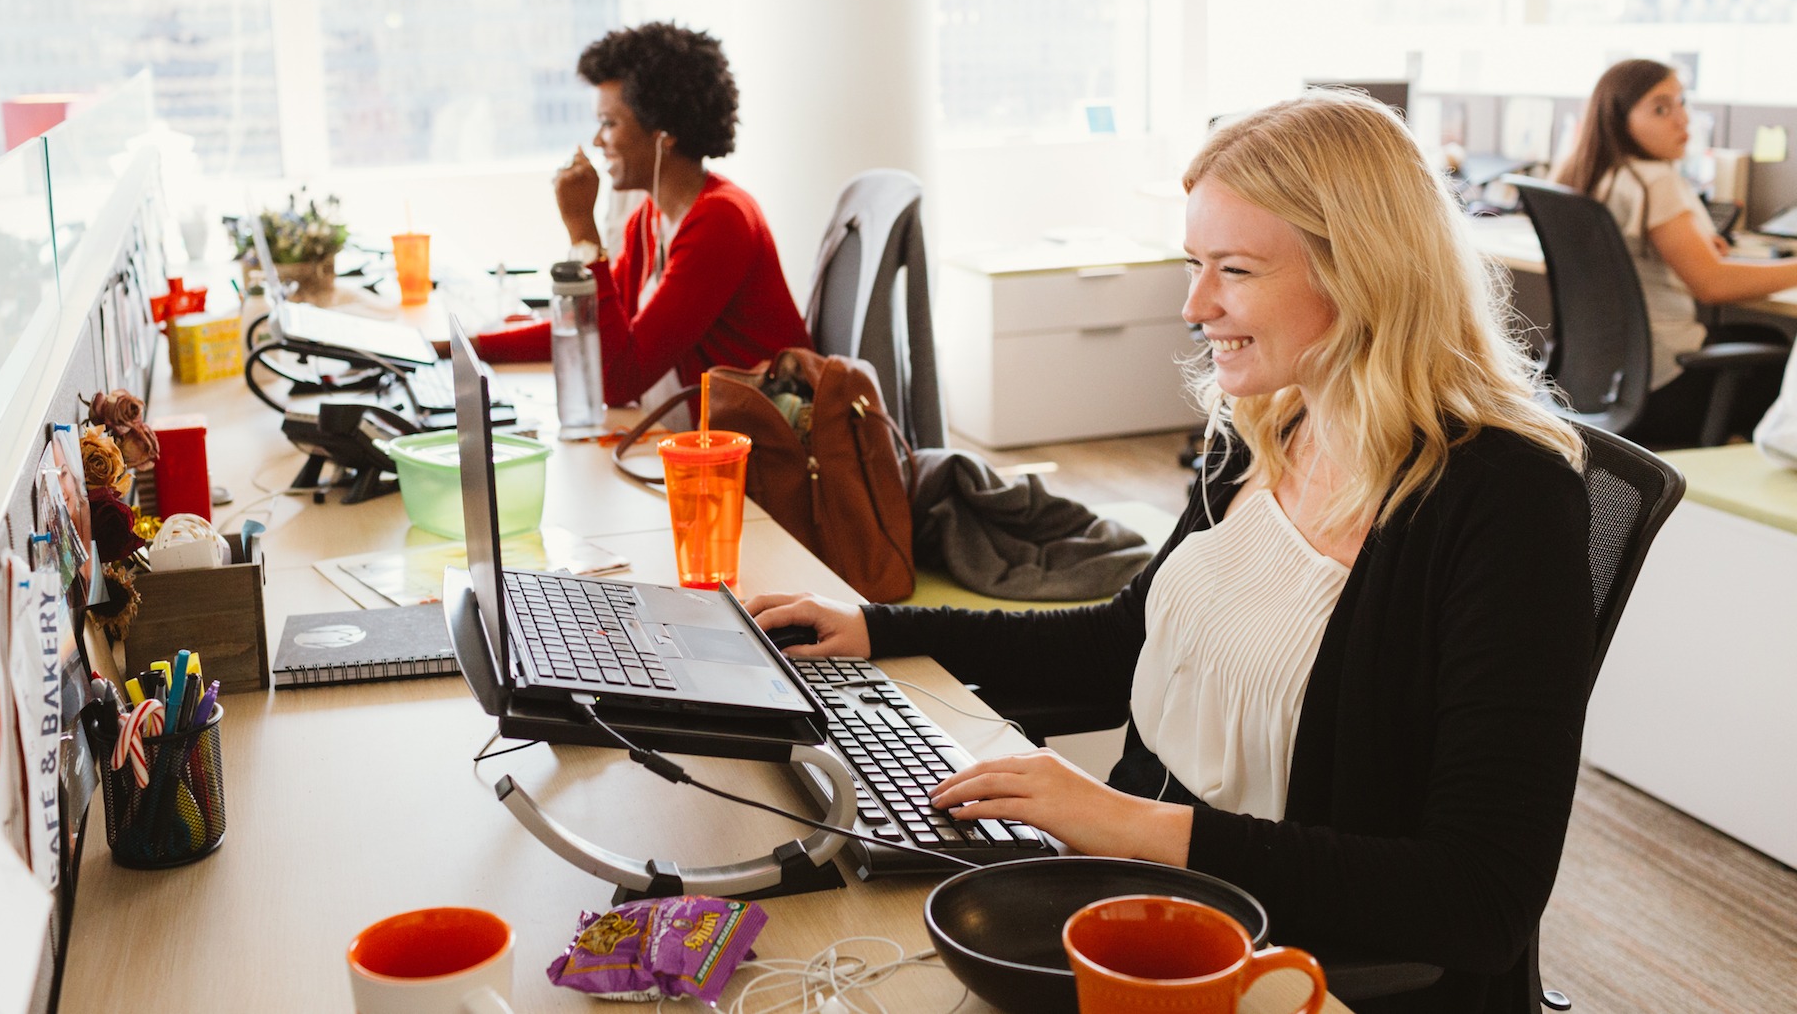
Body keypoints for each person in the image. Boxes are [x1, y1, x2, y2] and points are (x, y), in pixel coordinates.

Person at [752, 91, 1594, 1014]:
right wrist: (875, 629)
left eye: (1234, 268)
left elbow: (1479, 898)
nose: (1195, 305)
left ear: (1366, 273)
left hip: (1284, 961)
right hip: (1133, 897)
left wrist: (1127, 823)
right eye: (1196, 263)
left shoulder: (1504, 500)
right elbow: (1127, 641)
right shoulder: (1269, 422)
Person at [473, 22, 811, 419]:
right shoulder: (650, 219)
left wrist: (583, 232)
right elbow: (594, 331)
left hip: (753, 461)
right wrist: (473, 345)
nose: (598, 140)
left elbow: (619, 380)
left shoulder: (721, 220)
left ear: (664, 133)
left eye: (609, 123)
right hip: (684, 439)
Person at [1552, 58, 1797, 448]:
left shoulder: (1589, 174)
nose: (1682, 120)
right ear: (1618, 117)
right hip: (1663, 386)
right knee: (1777, 361)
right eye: (1661, 108)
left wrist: (1696, 244)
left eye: (1682, 104)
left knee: (1758, 334)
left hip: (1602, 381)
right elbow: (1712, 285)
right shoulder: (1653, 181)